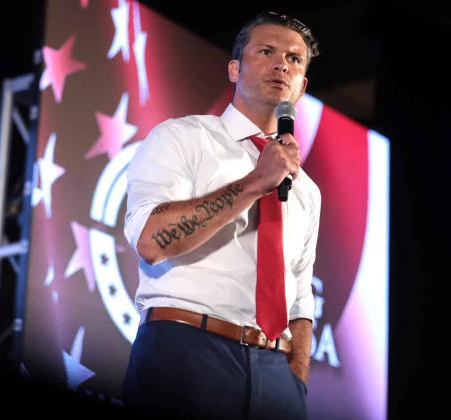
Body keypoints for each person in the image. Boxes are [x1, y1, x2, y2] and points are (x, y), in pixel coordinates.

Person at [122, 11, 321, 420]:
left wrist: (294, 379)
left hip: (276, 374)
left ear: (301, 86)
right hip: (188, 349)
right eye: (266, 51)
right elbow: (151, 240)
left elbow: (300, 299)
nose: (282, 64)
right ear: (235, 68)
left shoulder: (306, 189)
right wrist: (252, 184)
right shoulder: (183, 137)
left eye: (294, 59)